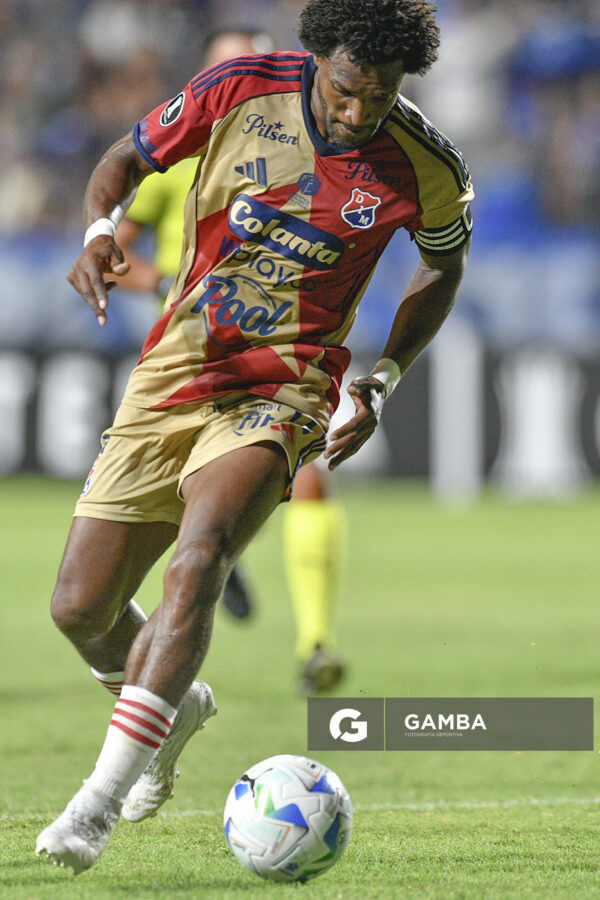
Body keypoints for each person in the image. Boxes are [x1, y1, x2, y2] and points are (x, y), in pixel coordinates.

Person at [36, 0, 473, 874]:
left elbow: (442, 260)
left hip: (287, 383)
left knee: (199, 561)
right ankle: (177, 704)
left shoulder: (424, 162)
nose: (358, 113)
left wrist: (382, 376)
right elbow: (124, 159)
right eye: (348, 92)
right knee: (79, 609)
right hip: (177, 366)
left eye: (379, 99)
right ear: (319, 60)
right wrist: (97, 233)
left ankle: (97, 803)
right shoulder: (238, 90)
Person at [117, 25, 348, 688]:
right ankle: (217, 565)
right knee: (174, 531)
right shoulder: (174, 165)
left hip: (279, 356)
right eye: (227, 67)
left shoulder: (300, 154)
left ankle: (316, 645)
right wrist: (164, 283)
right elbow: (117, 255)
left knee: (312, 478)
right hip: (190, 360)